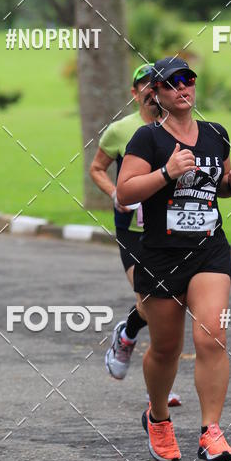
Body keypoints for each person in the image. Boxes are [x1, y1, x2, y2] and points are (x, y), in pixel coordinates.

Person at [117, 57, 231, 461]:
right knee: (165, 348)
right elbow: (125, 193)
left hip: (209, 248)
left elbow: (216, 187)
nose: (183, 88)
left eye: (188, 80)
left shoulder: (215, 134)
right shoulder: (147, 139)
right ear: (156, 92)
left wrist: (230, 184)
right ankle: (158, 417)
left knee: (212, 335)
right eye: (172, 83)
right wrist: (166, 172)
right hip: (160, 254)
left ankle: (211, 431)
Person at [89, 63, 181, 406]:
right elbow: (96, 168)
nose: (148, 90)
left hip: (169, 226)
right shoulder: (120, 130)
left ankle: (127, 334)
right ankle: (160, 386)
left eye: (152, 84)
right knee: (151, 300)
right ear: (134, 93)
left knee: (162, 304)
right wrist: (115, 192)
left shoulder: (176, 128)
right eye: (141, 84)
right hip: (133, 229)